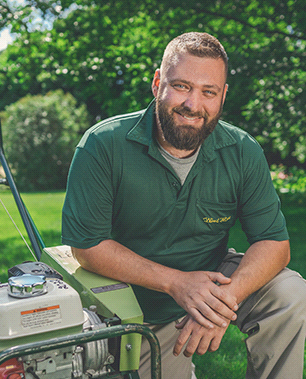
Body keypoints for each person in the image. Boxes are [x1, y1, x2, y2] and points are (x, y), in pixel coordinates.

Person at [61, 32, 306, 378]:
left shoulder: (242, 150)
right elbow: (88, 246)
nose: (193, 104)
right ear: (157, 83)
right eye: (182, 86)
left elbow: (275, 244)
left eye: (208, 92)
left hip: (211, 285)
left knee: (291, 293)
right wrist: (178, 283)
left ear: (222, 96)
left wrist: (223, 304)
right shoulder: (103, 145)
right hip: (131, 310)